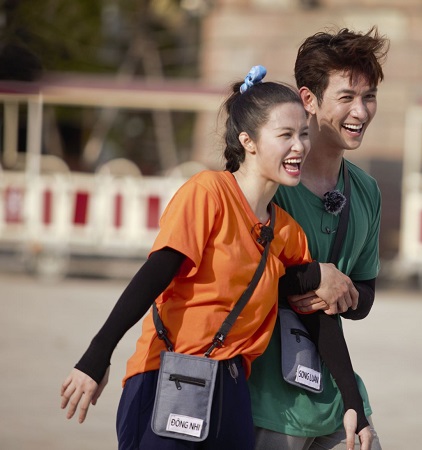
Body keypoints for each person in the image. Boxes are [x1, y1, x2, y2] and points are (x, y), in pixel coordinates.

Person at [59, 66, 371, 450]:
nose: (299, 146)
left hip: (233, 391)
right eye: (285, 135)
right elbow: (152, 276)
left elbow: (315, 316)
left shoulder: (287, 231)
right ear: (248, 141)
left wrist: (353, 402)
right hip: (169, 374)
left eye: (304, 134)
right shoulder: (208, 194)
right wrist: (96, 357)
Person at [249, 26, 389, 450]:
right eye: (346, 97)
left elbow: (364, 295)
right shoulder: (268, 182)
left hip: (337, 397)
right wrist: (315, 278)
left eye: (369, 97)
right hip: (266, 403)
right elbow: (236, 275)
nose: (360, 111)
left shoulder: (366, 191)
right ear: (308, 100)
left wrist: (340, 288)